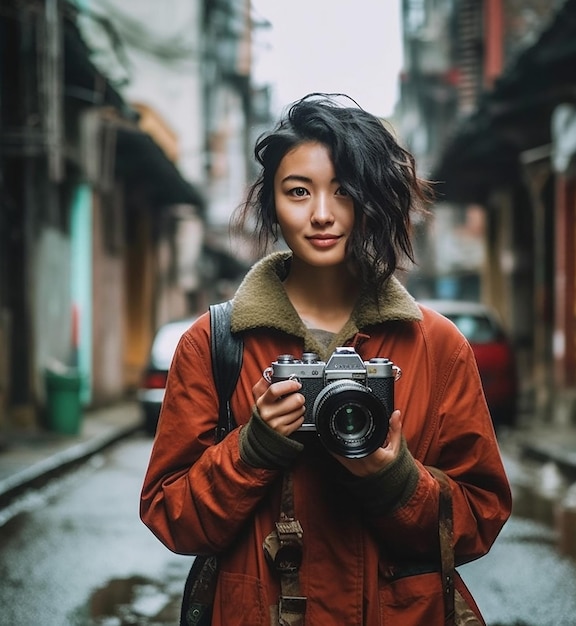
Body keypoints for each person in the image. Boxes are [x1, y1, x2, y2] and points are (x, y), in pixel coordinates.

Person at [140, 93, 512, 625]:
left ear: (372, 200)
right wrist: (253, 449)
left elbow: (483, 515)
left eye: (344, 192)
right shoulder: (215, 343)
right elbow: (169, 515)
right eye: (298, 192)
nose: (321, 214)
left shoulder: (436, 345)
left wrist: (395, 479)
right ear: (271, 202)